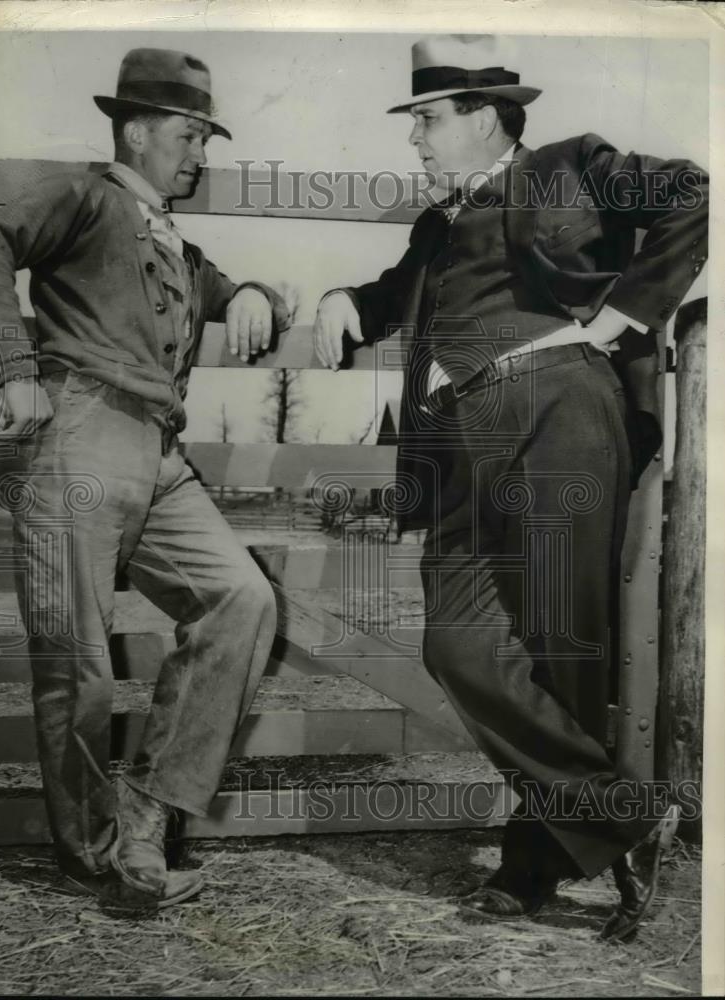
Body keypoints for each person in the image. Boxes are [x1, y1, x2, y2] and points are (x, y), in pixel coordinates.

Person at [313, 34, 707, 941]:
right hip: (458, 443)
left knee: (561, 646)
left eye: (426, 118)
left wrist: (623, 314)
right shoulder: (436, 226)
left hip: (557, 412)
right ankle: (621, 815)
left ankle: (532, 868)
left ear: (483, 116)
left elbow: (692, 190)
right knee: (457, 643)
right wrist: (345, 300)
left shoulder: (571, 167)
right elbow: (397, 297)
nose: (412, 136)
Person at [0, 48, 293, 908]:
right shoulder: (84, 196)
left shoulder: (171, 237)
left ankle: (146, 818)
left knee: (243, 599)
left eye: (204, 137)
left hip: (158, 454)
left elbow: (222, 293)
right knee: (75, 663)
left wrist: (258, 290)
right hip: (75, 436)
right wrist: (10, 366)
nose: (200, 154)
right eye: (190, 135)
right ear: (137, 129)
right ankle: (96, 854)